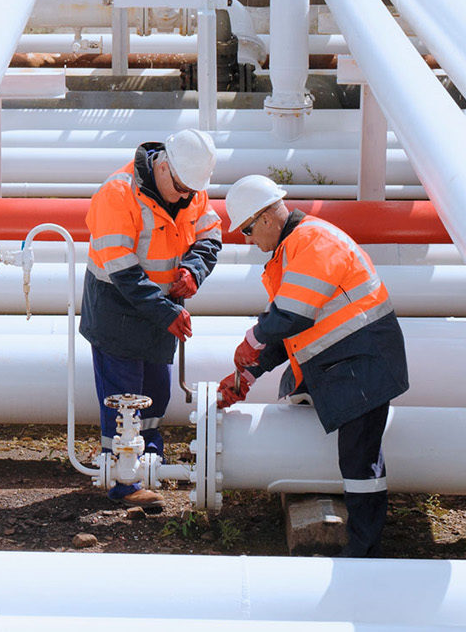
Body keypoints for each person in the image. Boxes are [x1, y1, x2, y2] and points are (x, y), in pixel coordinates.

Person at [218, 174, 409, 556]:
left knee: (360, 462)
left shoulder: (312, 242)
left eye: (249, 230)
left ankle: (363, 551)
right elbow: (289, 336)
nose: (248, 240)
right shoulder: (291, 250)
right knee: (298, 395)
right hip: (345, 361)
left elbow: (290, 317)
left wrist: (251, 341)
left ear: (268, 217)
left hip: (364, 363)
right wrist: (248, 375)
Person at [80, 128, 222, 512]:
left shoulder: (191, 189)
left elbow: (210, 235)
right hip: (117, 311)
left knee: (156, 393)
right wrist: (168, 313)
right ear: (162, 166)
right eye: (179, 187)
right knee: (123, 396)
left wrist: (194, 269)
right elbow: (124, 273)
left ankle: (148, 463)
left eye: (191, 190)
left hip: (159, 310)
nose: (184, 196)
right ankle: (123, 482)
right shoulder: (118, 194)